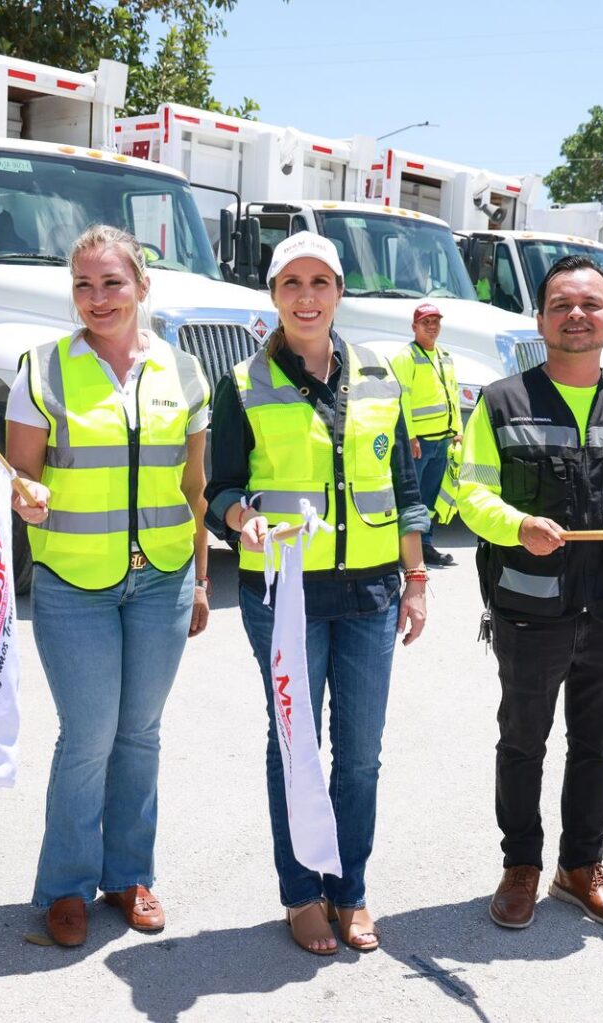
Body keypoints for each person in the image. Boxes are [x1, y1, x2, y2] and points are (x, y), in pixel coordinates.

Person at [205, 231, 429, 956]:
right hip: (283, 594)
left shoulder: (380, 376)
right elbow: (219, 491)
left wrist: (416, 578)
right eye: (291, 283)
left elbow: (402, 487)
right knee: (296, 744)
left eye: (320, 282)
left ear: (339, 292)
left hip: (370, 592)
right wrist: (241, 518)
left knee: (360, 754)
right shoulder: (242, 381)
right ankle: (302, 892)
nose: (306, 296)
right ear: (273, 295)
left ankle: (350, 890)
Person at [457, 254, 603, 933]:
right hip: (529, 612)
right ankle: (521, 865)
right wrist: (515, 524)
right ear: (541, 319)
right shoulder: (502, 401)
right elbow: (469, 491)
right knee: (523, 741)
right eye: (562, 304)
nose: (576, 314)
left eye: (591, 304)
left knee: (597, 744)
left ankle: (580, 867)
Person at [6, 224, 211, 948]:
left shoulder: (184, 373)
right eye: (84, 284)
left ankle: (128, 874)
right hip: (73, 579)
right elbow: (20, 473)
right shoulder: (45, 367)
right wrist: (24, 494)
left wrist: (201, 578)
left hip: (161, 578)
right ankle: (65, 884)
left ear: (142, 287)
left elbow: (194, 486)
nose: (97, 297)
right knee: (88, 735)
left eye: (112, 282)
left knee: (140, 735)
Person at [390, 302, 462, 567]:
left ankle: (425, 544)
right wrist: (409, 437)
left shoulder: (444, 356)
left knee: (430, 498)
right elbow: (401, 399)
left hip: (442, 440)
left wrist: (457, 431)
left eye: (435, 322)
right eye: (426, 322)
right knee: (411, 497)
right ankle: (402, 550)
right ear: (414, 327)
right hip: (418, 443)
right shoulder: (406, 357)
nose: (432, 327)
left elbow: (452, 394)